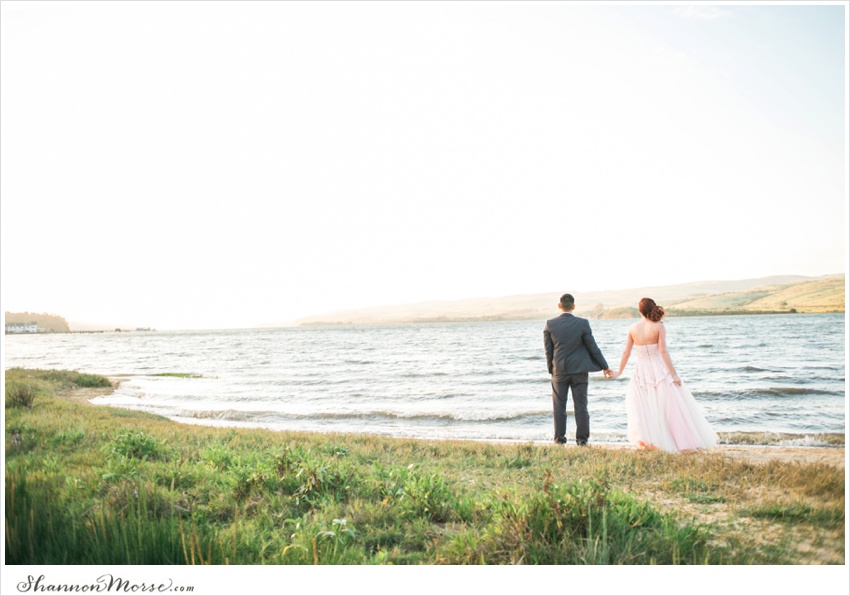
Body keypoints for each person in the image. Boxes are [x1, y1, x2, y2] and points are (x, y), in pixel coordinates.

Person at [610, 297, 718, 452]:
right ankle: (680, 442)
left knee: (645, 408)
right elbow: (663, 351)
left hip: (641, 372)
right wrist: (674, 375)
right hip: (658, 370)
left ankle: (649, 442)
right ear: (652, 309)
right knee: (670, 408)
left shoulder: (632, 328)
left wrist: (619, 371)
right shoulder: (658, 326)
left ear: (639, 310)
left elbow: (626, 352)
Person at [544, 293, 613, 446]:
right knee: (581, 406)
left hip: (559, 371)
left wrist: (552, 370)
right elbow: (592, 347)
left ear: (559, 305)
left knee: (559, 407)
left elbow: (548, 351)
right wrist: (605, 366)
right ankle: (582, 440)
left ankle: (559, 440)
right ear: (573, 307)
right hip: (580, 371)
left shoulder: (550, 324)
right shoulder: (582, 323)